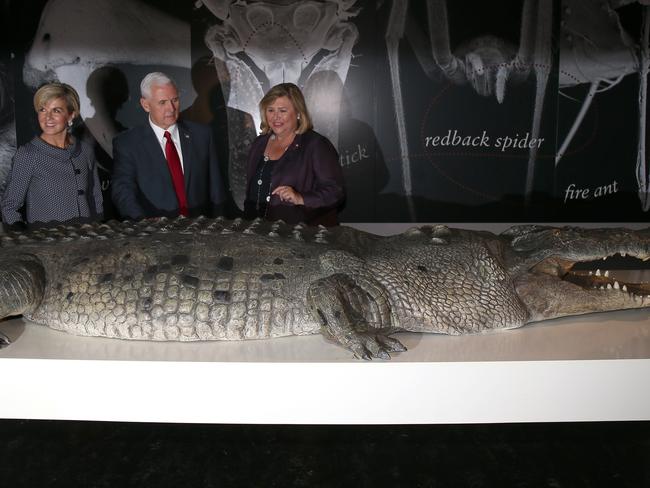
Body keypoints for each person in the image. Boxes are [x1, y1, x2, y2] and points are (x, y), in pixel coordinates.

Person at [111, 72, 225, 220]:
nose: (171, 108)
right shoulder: (128, 143)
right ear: (145, 105)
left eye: (175, 100)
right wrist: (141, 222)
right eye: (162, 102)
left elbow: (216, 190)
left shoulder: (202, 135)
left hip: (199, 231)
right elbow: (122, 190)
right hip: (155, 235)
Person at [1, 82, 103, 230]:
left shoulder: (85, 151)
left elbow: (96, 199)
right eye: (42, 110)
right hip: (49, 247)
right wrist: (26, 238)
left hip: (87, 243)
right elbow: (9, 207)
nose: (47, 117)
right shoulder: (28, 155)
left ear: (71, 115)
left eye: (56, 110)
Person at [244, 82, 344, 226]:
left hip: (297, 235)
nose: (275, 117)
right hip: (255, 230)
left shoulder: (316, 145)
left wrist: (300, 198)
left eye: (283, 110)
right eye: (270, 110)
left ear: (298, 113)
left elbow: (335, 192)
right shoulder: (259, 143)